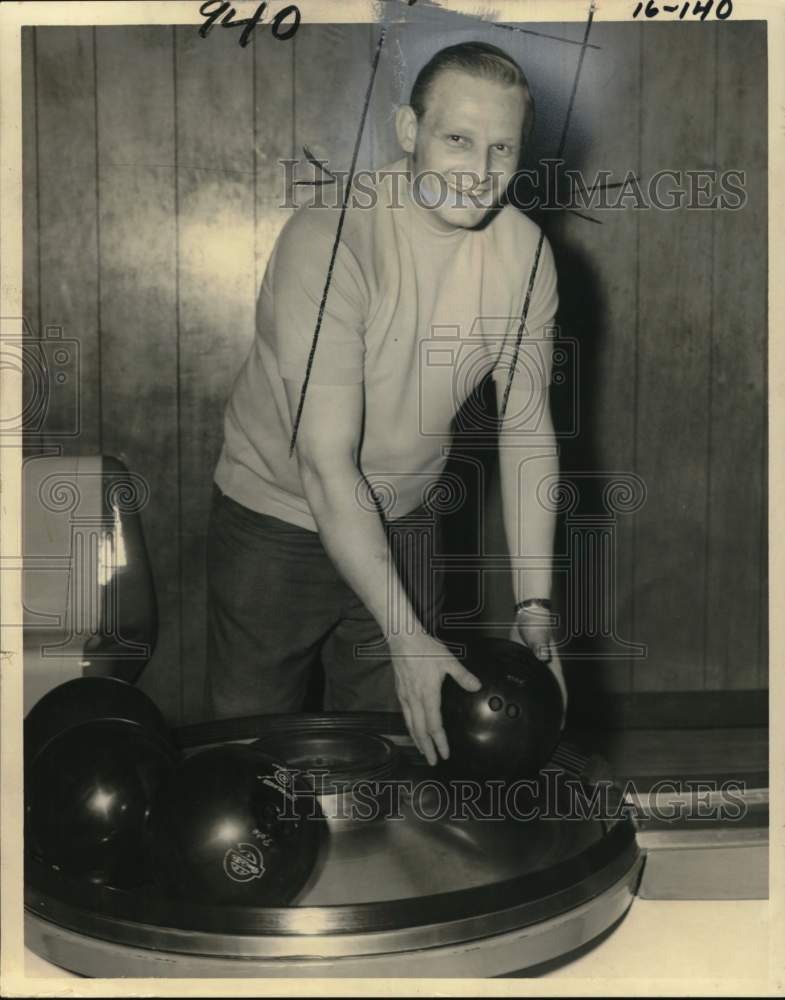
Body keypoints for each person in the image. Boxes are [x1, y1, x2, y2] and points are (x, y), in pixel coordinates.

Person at [206, 40, 566, 765]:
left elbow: (526, 429)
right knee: (247, 753)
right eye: (457, 140)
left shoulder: (525, 256)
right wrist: (406, 635)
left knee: (392, 752)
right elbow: (326, 464)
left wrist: (535, 606)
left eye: (502, 148)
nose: (479, 172)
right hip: (279, 517)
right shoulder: (332, 240)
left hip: (405, 520)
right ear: (408, 132)